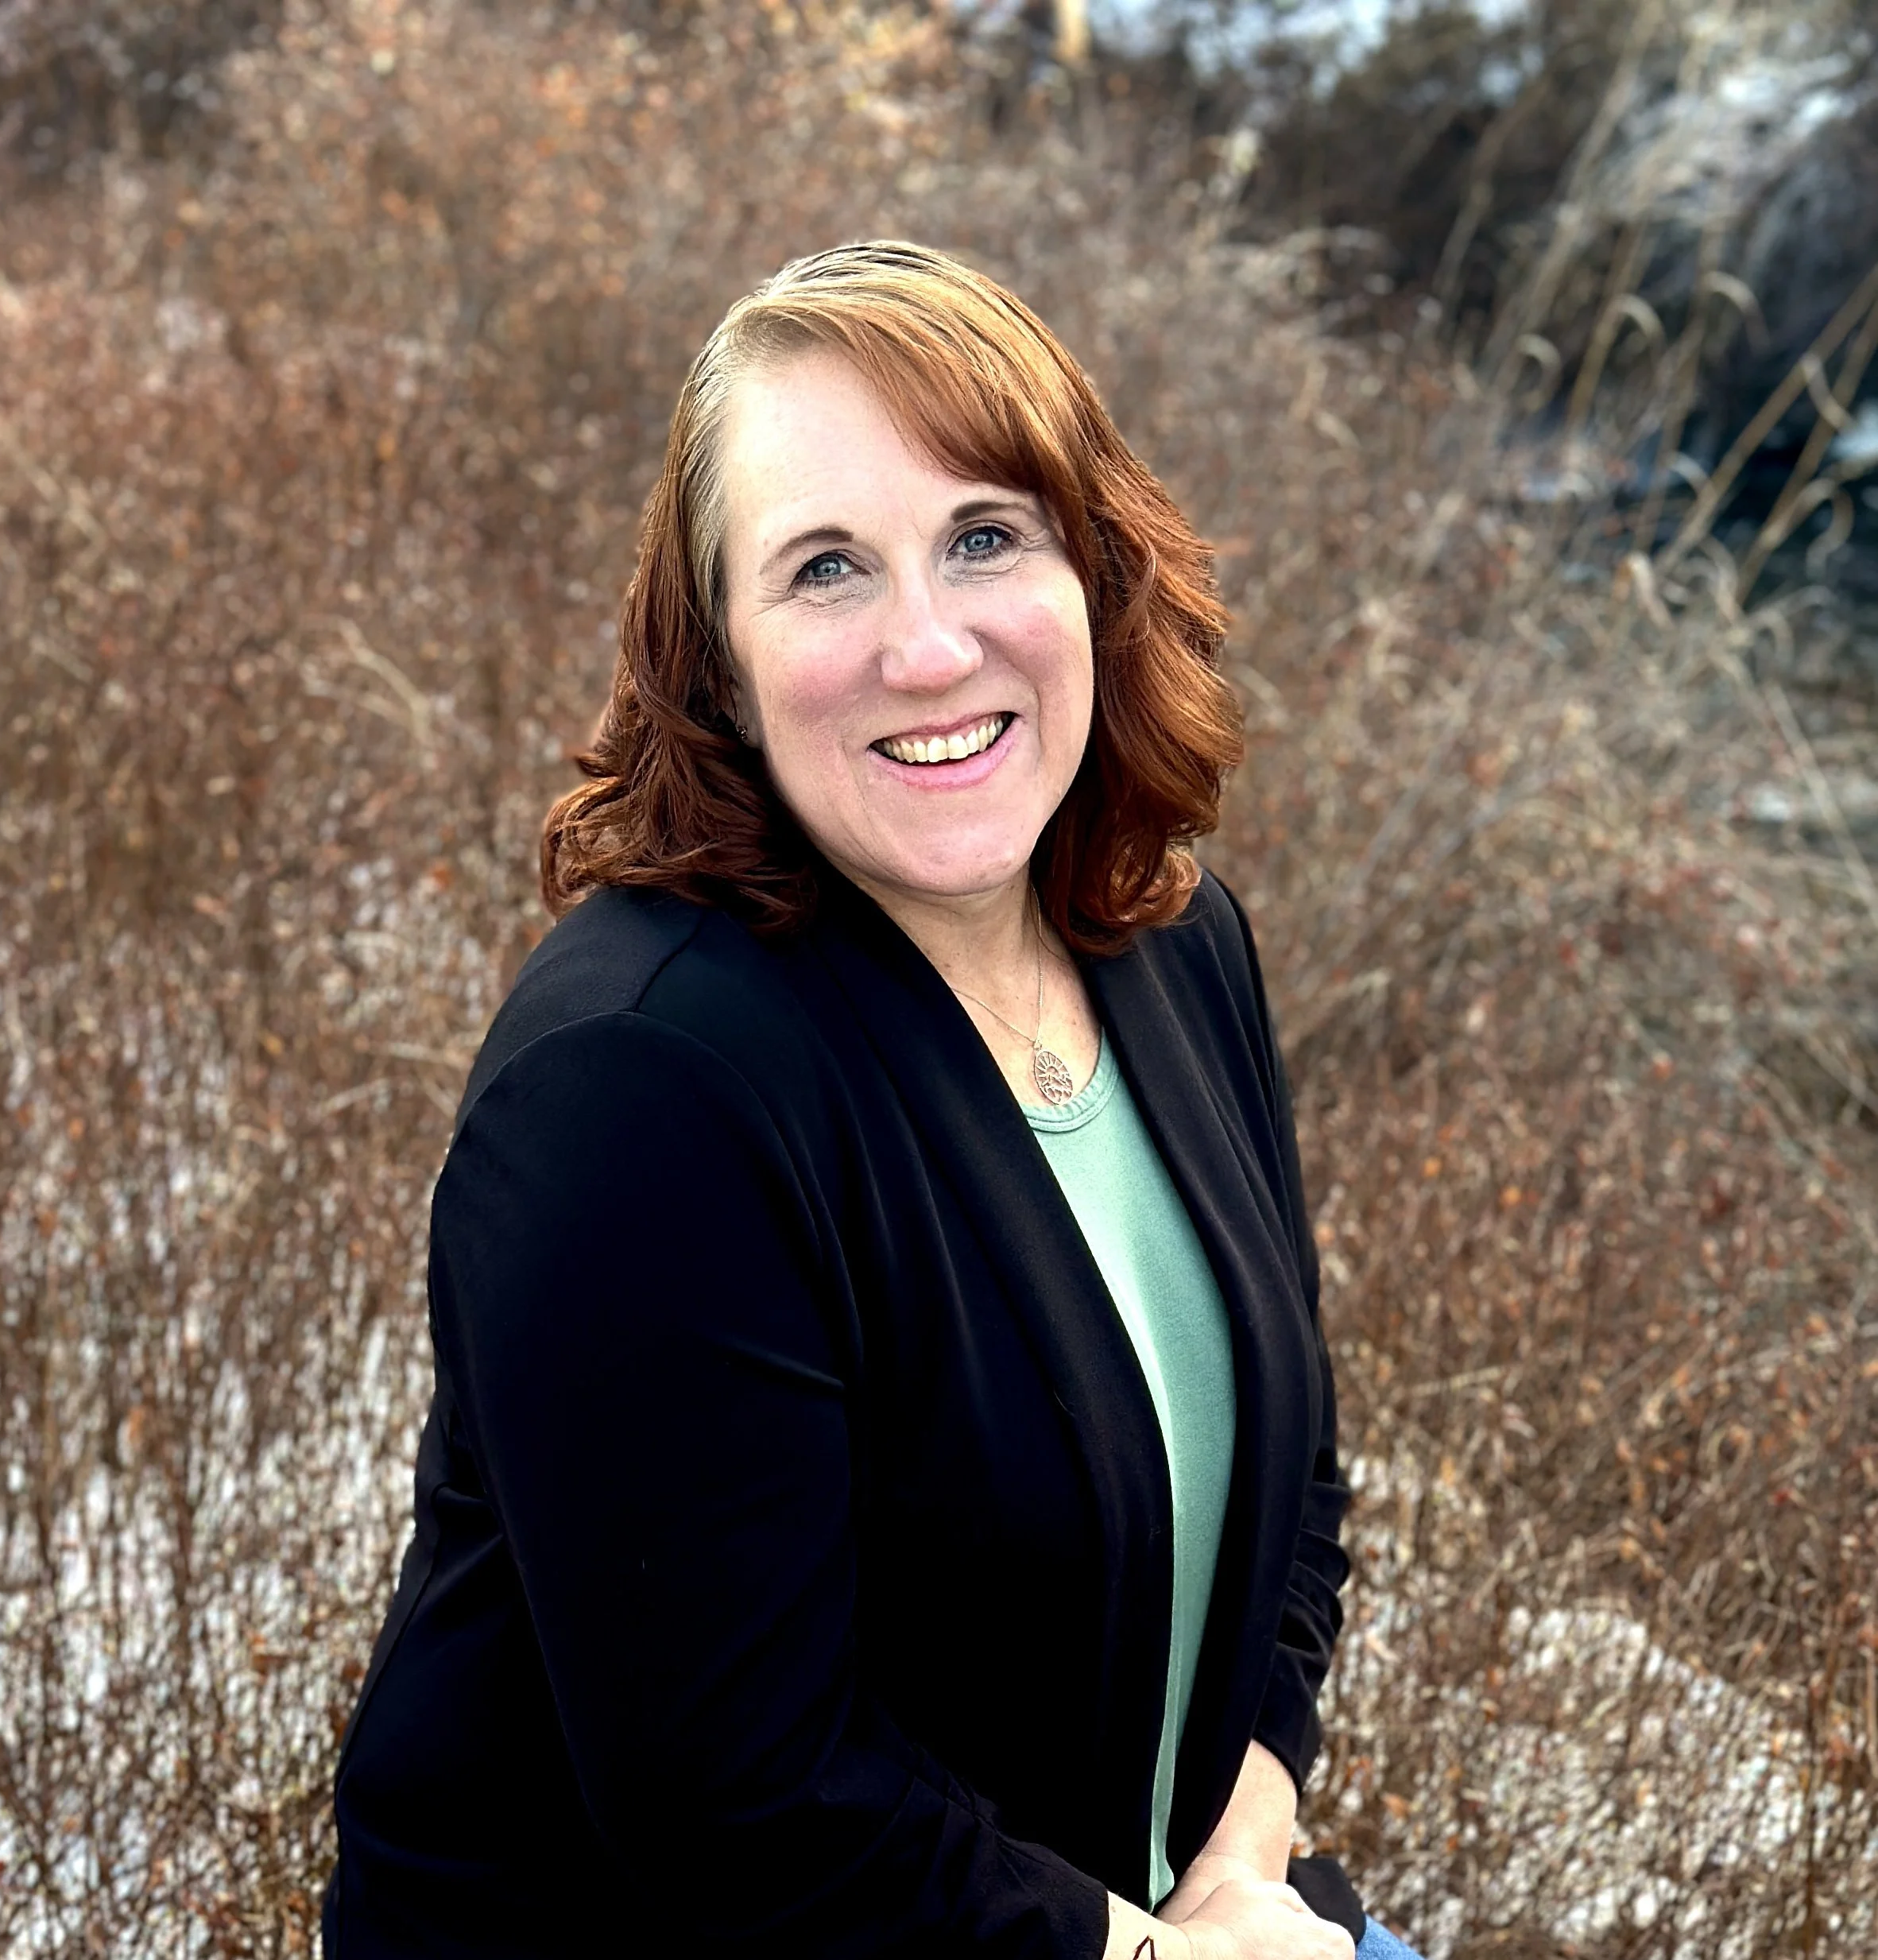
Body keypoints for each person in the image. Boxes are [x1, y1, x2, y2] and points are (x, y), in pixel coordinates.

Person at [322, 241, 1424, 1960]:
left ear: (1095, 570)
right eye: (826, 569)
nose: (928, 644)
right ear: (721, 667)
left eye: (988, 535)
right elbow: (744, 1805)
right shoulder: (641, 1089)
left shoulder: (1177, 941)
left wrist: (1239, 1853)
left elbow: (1294, 1493)